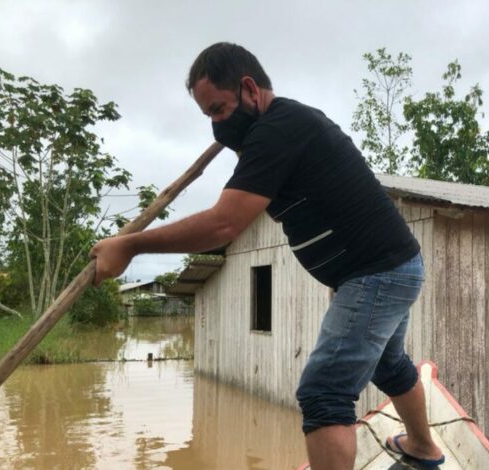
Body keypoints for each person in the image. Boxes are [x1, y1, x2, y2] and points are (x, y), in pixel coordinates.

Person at [90, 42, 444, 470]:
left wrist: (130, 245)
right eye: (208, 116)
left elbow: (224, 224)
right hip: (387, 268)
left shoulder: (278, 130)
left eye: (219, 110)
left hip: (377, 273)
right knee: (388, 365)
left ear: (249, 89)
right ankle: (422, 447)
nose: (217, 125)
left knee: (323, 392)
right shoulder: (281, 128)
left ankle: (420, 446)